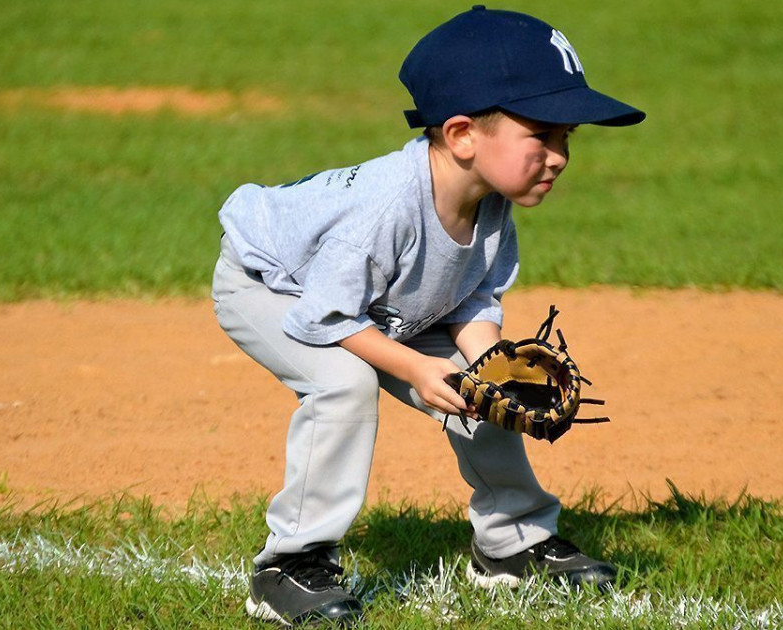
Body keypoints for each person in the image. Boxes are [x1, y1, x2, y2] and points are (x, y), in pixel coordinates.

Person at [211, 5, 645, 626]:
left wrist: (490, 361)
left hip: (369, 300)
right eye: (541, 136)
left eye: (566, 139)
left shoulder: (491, 204)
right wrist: (415, 367)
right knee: (343, 383)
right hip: (274, 283)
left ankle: (512, 543)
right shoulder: (385, 208)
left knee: (486, 386)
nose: (559, 157)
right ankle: (290, 562)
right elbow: (326, 316)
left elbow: (471, 297)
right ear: (463, 134)